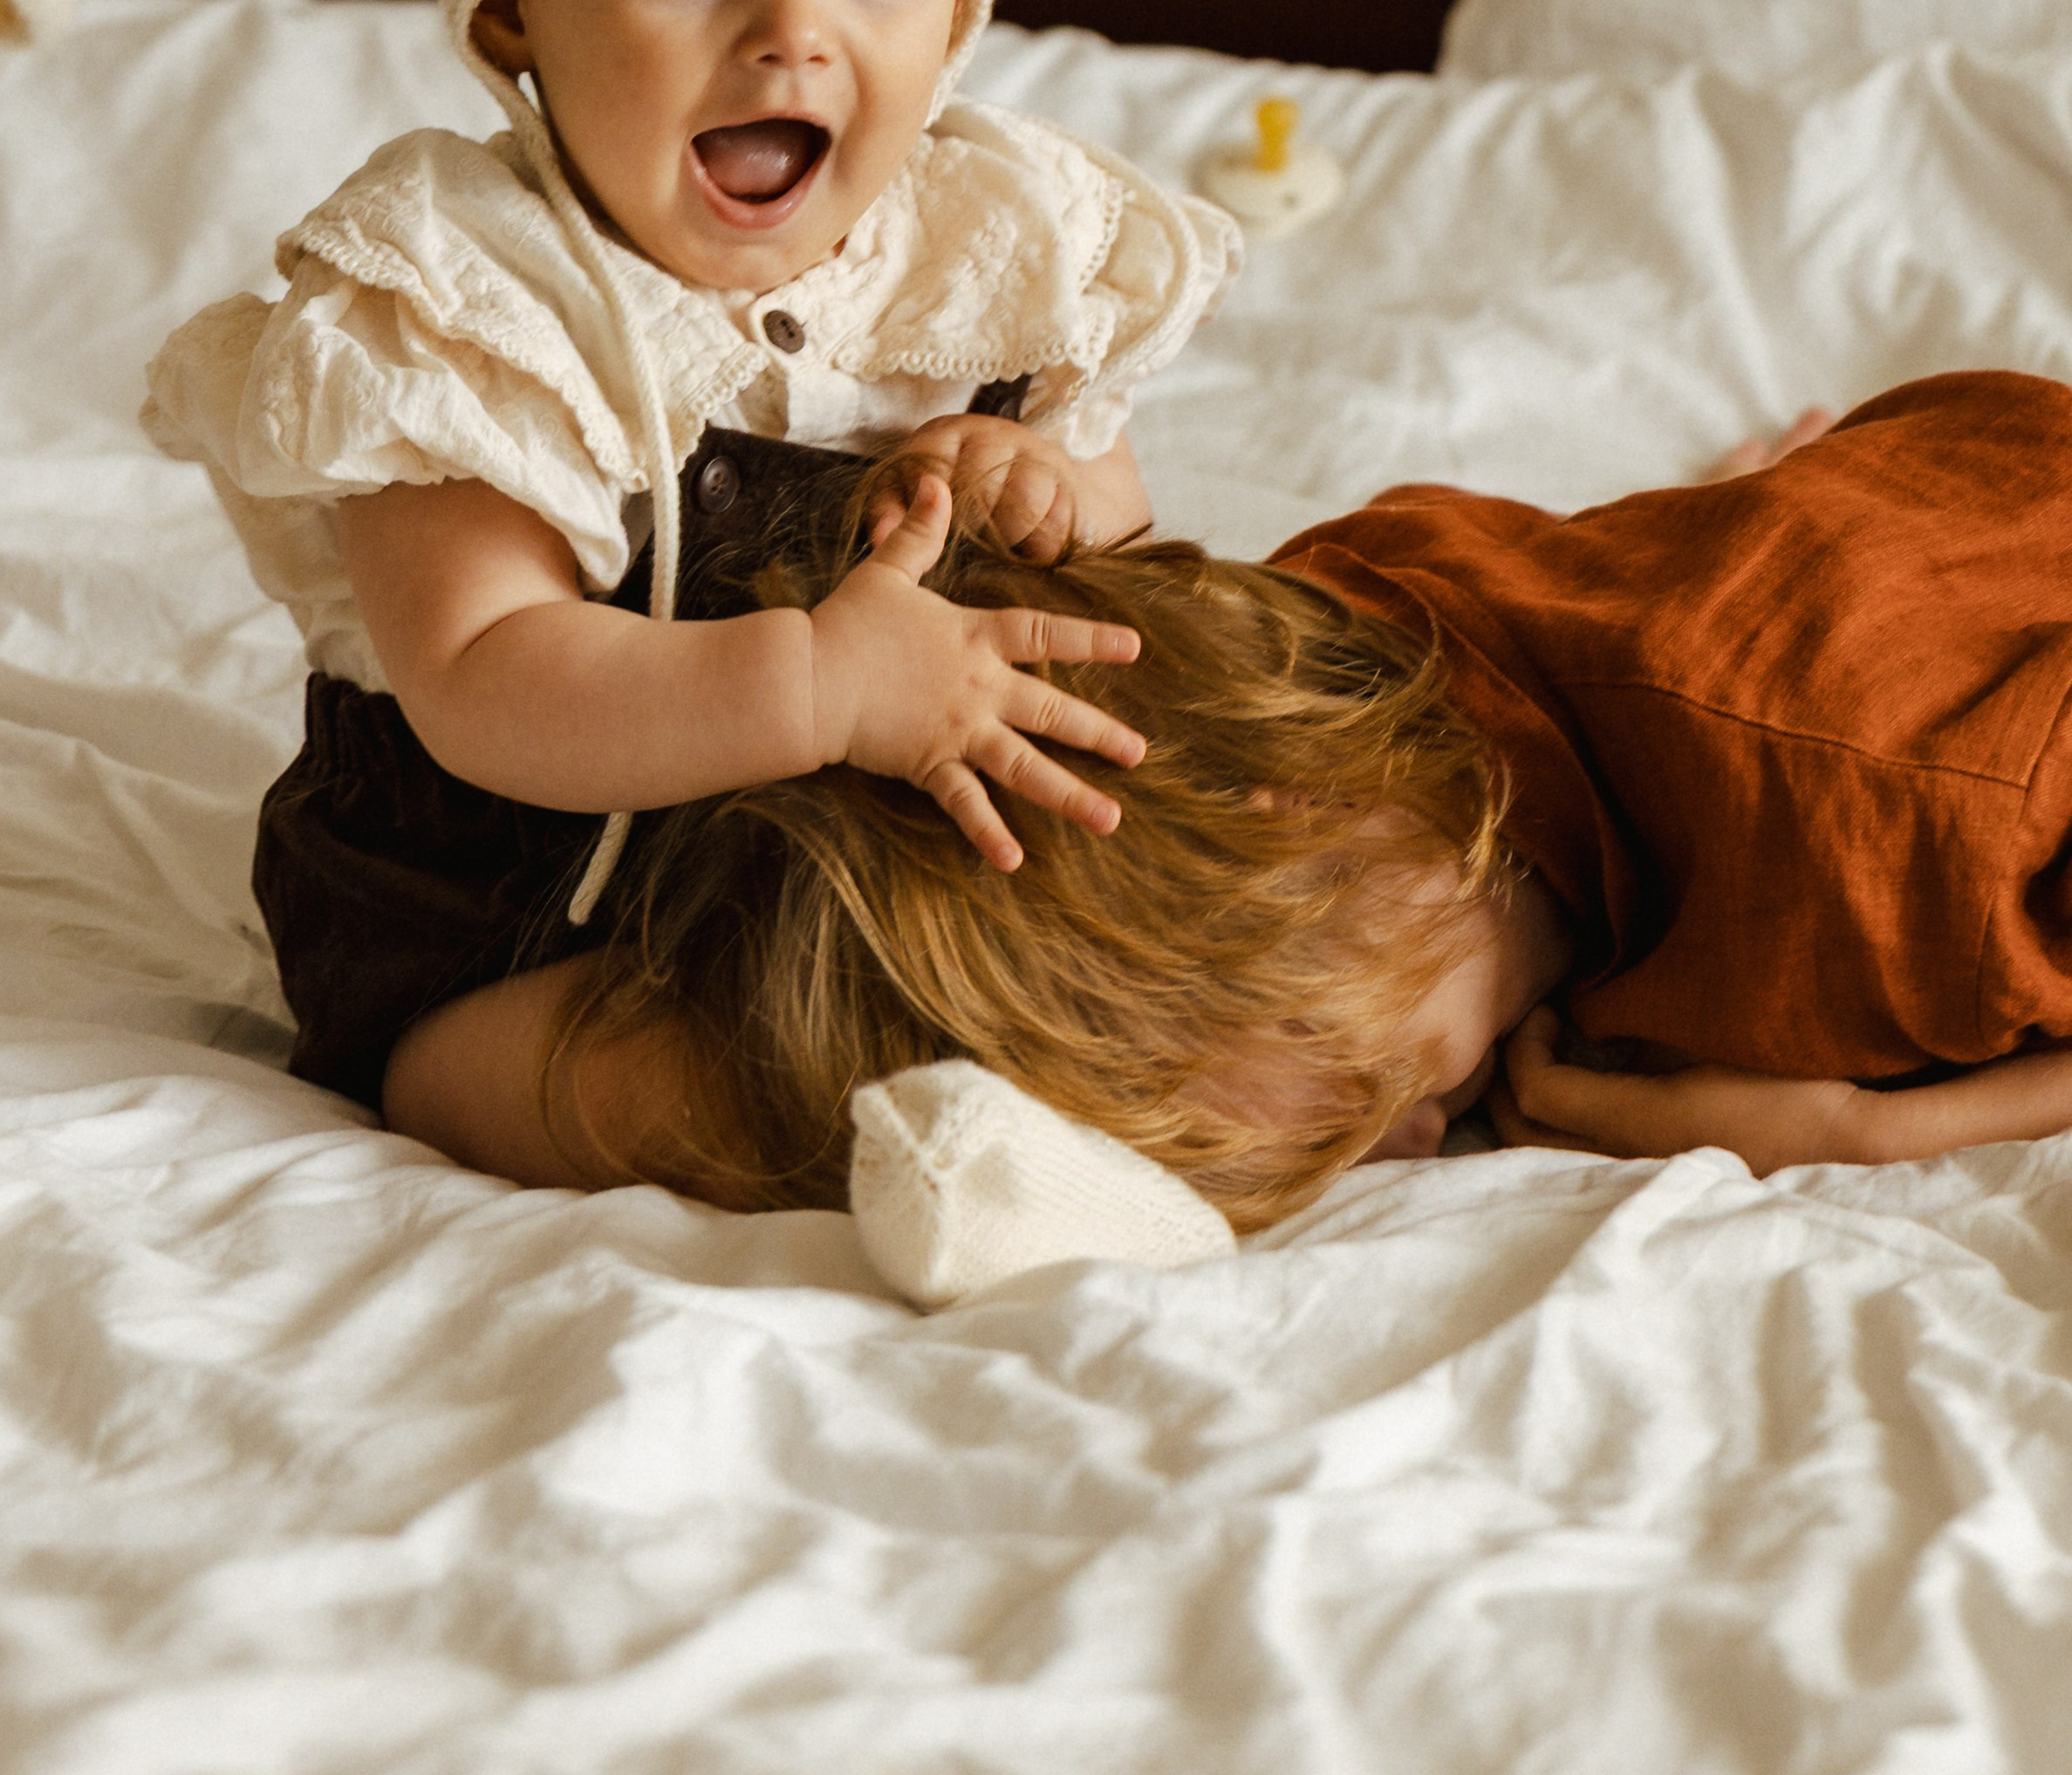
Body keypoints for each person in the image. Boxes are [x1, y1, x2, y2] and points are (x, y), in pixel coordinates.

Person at [144, 0, 1237, 1112]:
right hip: (524, 913)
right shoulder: (466, 298)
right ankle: (891, 1153)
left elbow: (1113, 547)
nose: (795, 31)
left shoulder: (989, 247)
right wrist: (817, 686)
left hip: (867, 882)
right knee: (612, 1079)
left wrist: (1037, 486)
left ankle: (1124, 1093)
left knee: (1187, 890)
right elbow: (479, 670)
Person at [374, 371, 2072, 1223]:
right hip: (1896, 499)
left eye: (1367, 1096)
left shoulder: (1903, 854)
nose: (1407, 1148)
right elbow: (440, 1073)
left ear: (1287, 825)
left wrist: (1864, 1129)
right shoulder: (1331, 641)